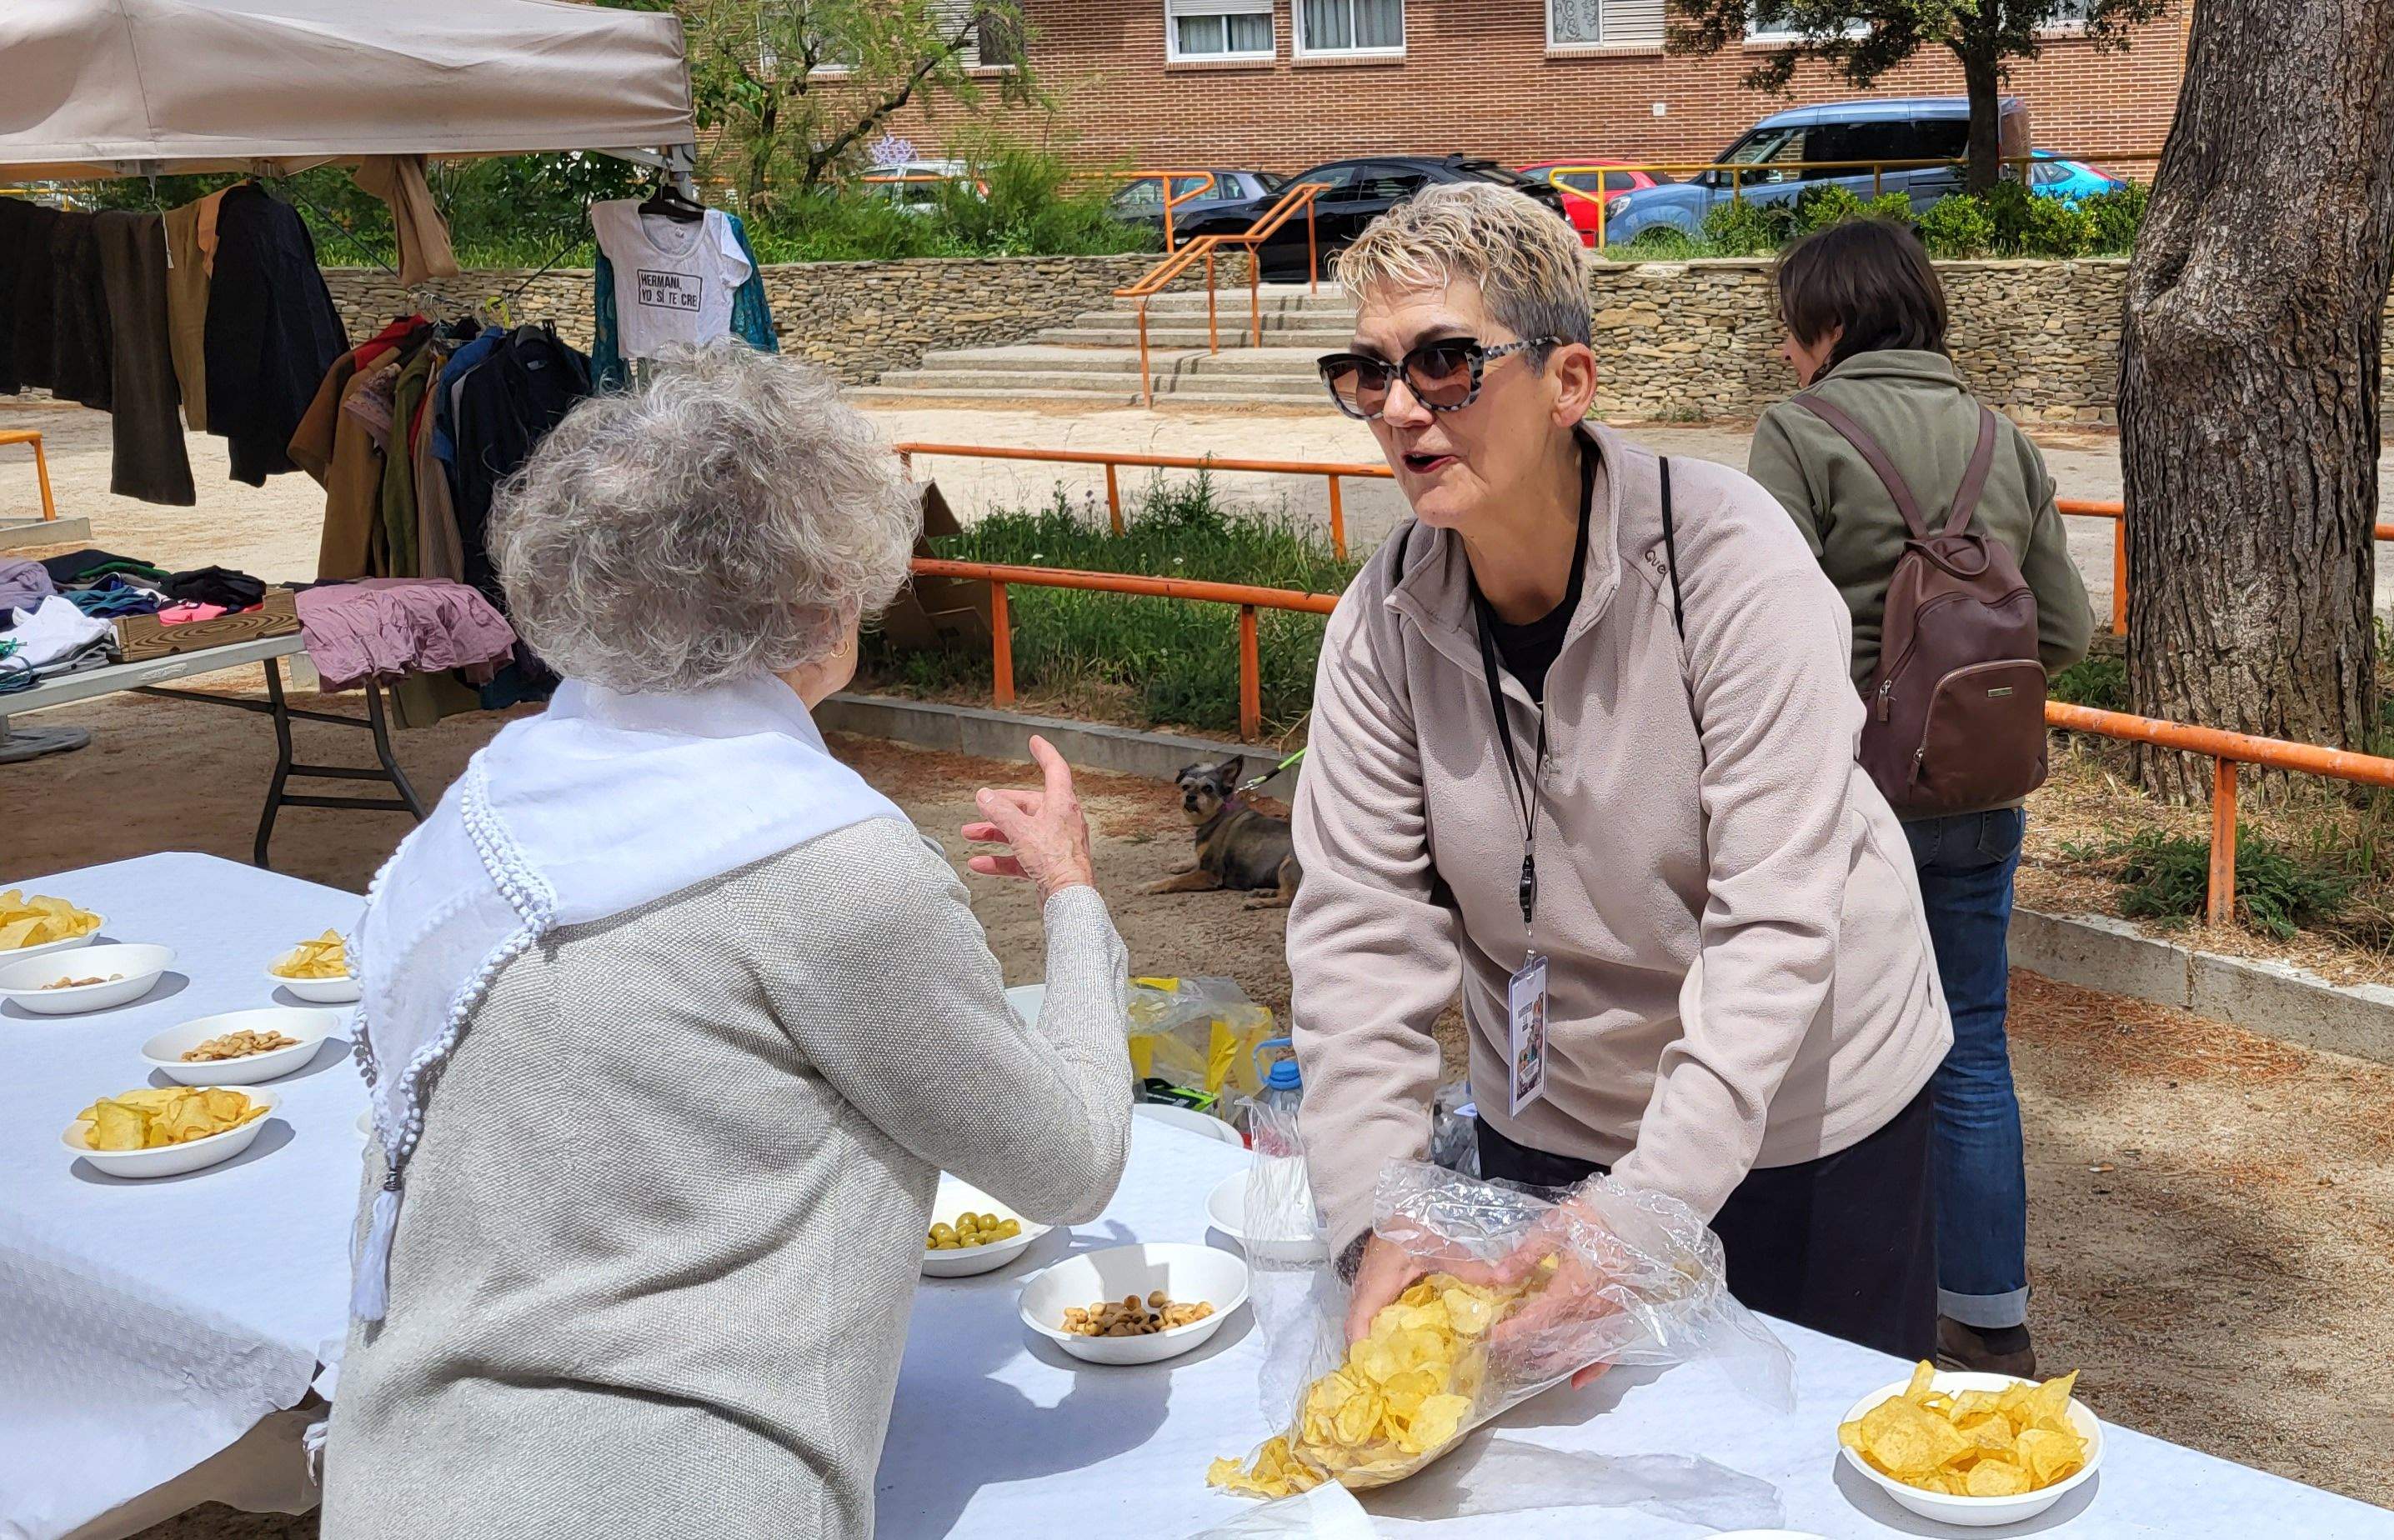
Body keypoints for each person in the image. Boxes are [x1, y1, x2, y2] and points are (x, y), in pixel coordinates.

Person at [324, 348, 1139, 1540]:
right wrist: (1072, 894)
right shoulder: (822, 863)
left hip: (400, 1475)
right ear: (821, 596)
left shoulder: (498, 803)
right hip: (676, 1493)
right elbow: (1070, 1164)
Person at [1284, 183, 1955, 1362]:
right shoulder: (1383, 623)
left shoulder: (1731, 564)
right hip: (1549, 1111)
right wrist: (1381, 1210)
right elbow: (1357, 933)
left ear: (1570, 384)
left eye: (1445, 362)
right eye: (1370, 373)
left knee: (1798, 1468)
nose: (1399, 408)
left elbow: (1774, 926)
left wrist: (1649, 1209)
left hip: (1803, 1113)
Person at [1745, 218, 2096, 1378]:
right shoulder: (2006, 440)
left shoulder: (1802, 433)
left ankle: (1838, 1317)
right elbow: (2065, 632)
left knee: (1832, 1059)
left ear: (1833, 325)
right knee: (1973, 1046)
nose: (1791, 355)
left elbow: (1765, 629)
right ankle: (1989, 1317)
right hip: (1981, 796)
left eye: (1795, 331)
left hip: (1849, 799)